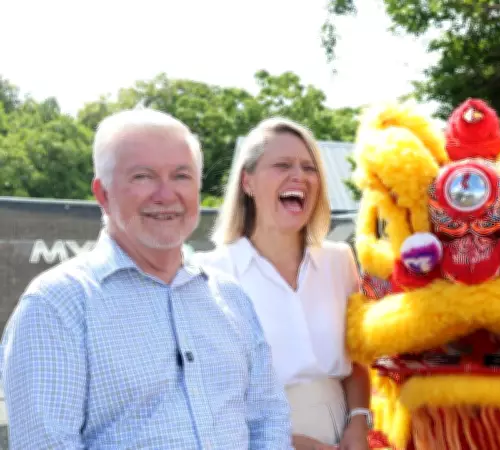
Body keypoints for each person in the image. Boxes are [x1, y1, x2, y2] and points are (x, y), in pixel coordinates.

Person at [0, 108, 293, 449]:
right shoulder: (57, 306)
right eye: (143, 176)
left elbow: (267, 418)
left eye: (181, 176)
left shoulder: (230, 297)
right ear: (103, 194)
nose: (166, 195)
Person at [195, 117, 371, 450]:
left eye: (309, 167)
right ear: (247, 182)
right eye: (282, 165)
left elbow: (357, 365)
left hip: (343, 435)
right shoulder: (211, 273)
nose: (299, 177)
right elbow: (210, 394)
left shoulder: (340, 261)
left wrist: (359, 423)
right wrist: (289, 442)